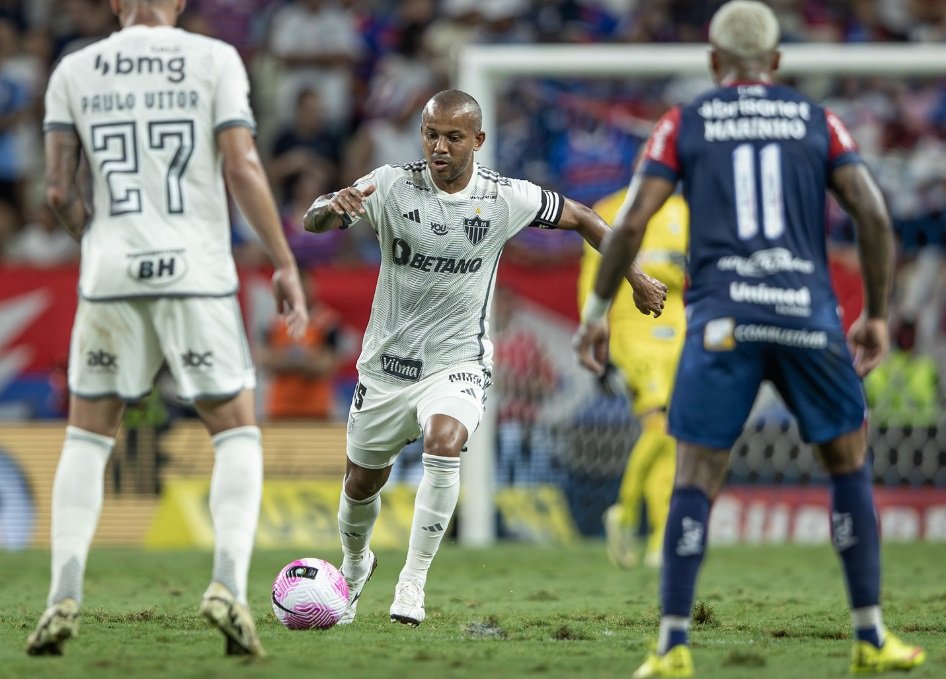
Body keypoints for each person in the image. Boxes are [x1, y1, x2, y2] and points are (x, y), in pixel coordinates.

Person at [573, 2, 925, 676]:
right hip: (805, 313)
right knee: (849, 461)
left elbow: (632, 221)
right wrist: (876, 311)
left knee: (697, 472)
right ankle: (871, 635)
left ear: (712, 63)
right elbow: (874, 214)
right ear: (777, 61)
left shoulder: (684, 121)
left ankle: (672, 644)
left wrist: (594, 311)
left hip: (723, 319)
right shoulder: (818, 120)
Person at [302, 89, 667, 627]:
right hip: (385, 366)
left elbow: (585, 217)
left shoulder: (504, 197)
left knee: (445, 441)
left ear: (478, 140)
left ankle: (413, 581)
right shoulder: (389, 184)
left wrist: (634, 278)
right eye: (431, 134)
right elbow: (312, 222)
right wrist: (328, 208)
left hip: (458, 361)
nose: (440, 147)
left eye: (453, 137)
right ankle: (355, 568)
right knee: (361, 482)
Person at [27, 0, 307, 658]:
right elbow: (242, 168)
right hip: (196, 273)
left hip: (111, 272)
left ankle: (63, 593)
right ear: (178, 0)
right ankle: (227, 587)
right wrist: (285, 261)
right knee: (236, 429)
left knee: (88, 435)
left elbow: (59, 194)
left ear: (116, 2)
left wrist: (94, 240)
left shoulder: (76, 68)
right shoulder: (214, 60)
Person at [578, 181, 688, 569]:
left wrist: (659, 265)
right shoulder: (608, 206)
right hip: (632, 333)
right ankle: (624, 513)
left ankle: (661, 539)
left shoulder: (683, 211)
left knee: (668, 435)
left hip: (676, 333)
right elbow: (594, 276)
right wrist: (593, 329)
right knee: (659, 426)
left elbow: (693, 267)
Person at [257, 273, 343, 421]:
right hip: (279, 410)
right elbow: (264, 360)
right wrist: (306, 359)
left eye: (305, 285)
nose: (301, 291)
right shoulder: (273, 322)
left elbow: (327, 365)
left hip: (317, 412)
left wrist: (285, 359)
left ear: (313, 287)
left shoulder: (328, 322)